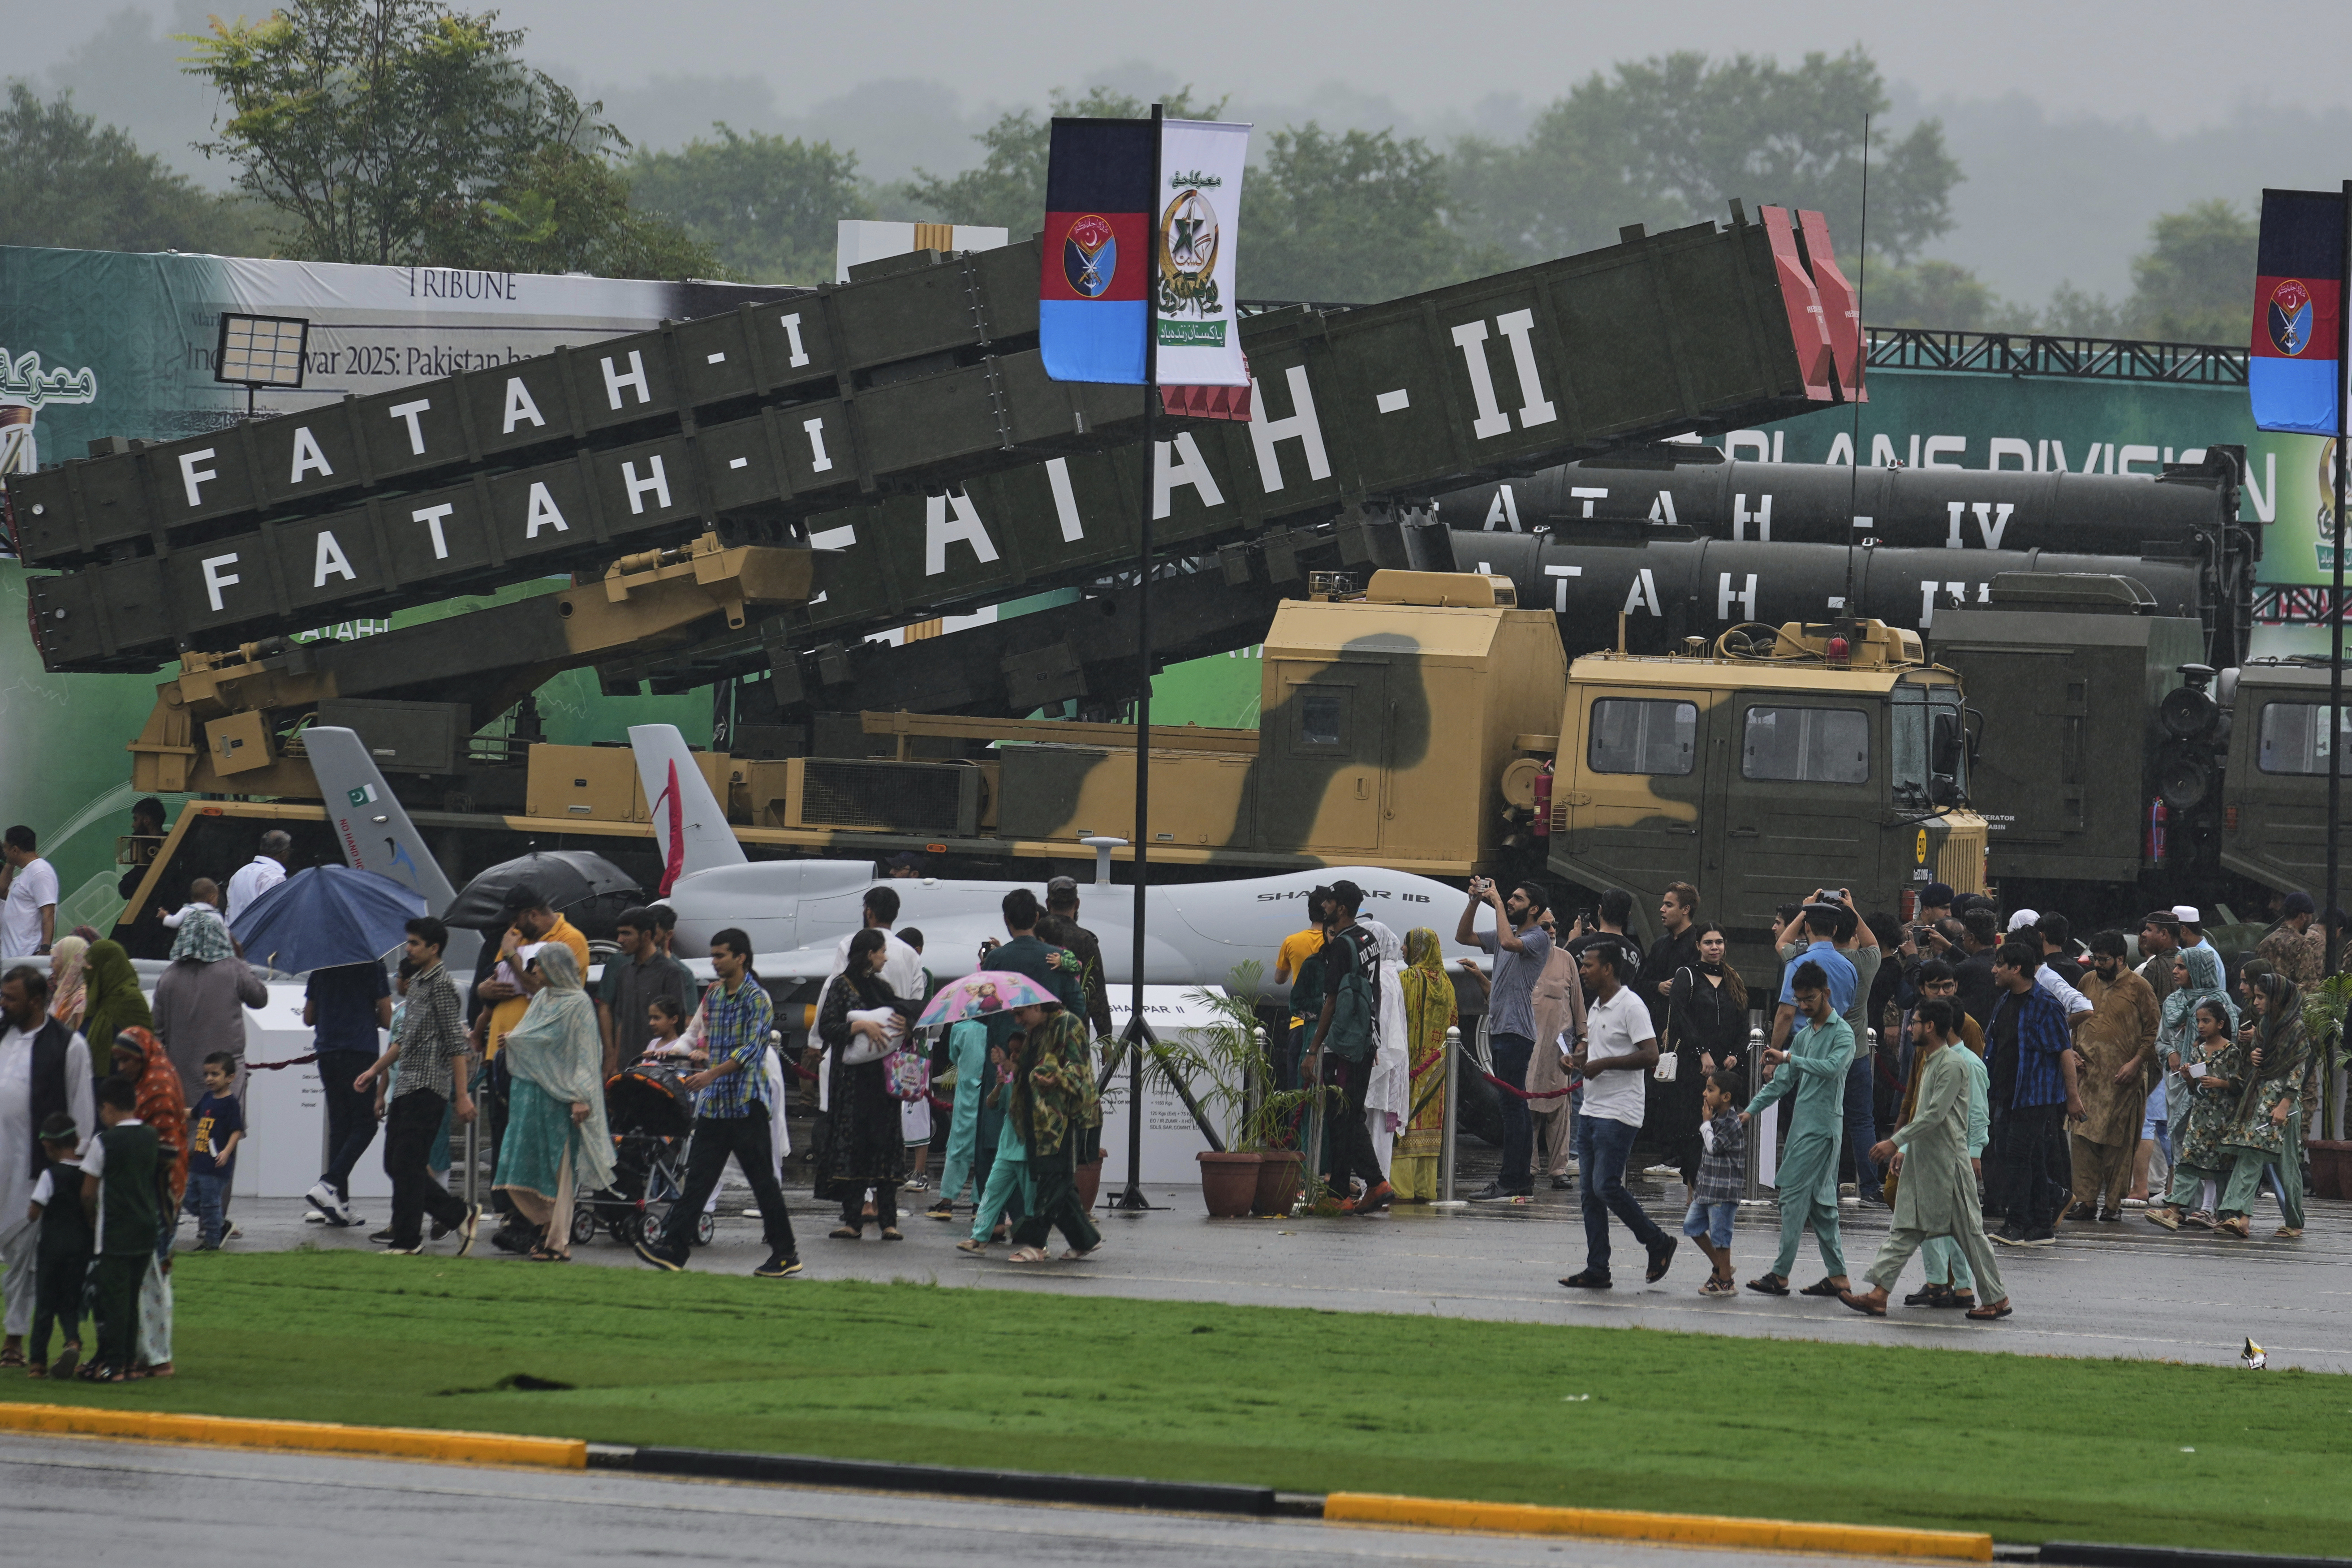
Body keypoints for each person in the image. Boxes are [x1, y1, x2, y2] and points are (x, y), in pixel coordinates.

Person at [635, 928, 800, 1278]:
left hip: (745, 1104)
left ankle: (785, 1253)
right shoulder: (713, 995)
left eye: (721, 955)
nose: (714, 962)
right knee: (698, 1178)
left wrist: (711, 1074)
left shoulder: (757, 998)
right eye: (713, 955)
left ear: (741, 957)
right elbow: (699, 1038)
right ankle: (674, 1248)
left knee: (763, 1183)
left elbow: (751, 1050)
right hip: (715, 1106)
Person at [1838, 999, 2012, 1322]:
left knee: (1971, 1235)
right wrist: (1904, 1151)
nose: (1909, 1027)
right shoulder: (1929, 1060)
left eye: (1915, 1022)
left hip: (1949, 1168)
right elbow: (1921, 1113)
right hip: (1923, 1165)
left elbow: (1934, 1116)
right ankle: (1878, 1295)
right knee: (1904, 1230)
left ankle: (1996, 1298)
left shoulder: (1954, 1065)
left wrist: (1895, 1141)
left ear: (1930, 1026)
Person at [354, 919, 479, 1257]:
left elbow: (457, 1045)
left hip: (428, 1089)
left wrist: (463, 1095)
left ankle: (408, 1240)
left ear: (434, 948)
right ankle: (457, 1214)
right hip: (406, 1086)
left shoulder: (442, 986)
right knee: (396, 1165)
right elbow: (403, 1042)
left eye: (414, 943)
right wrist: (375, 1071)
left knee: (407, 1164)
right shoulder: (420, 984)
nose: (407, 949)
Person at [1557, 941, 1675, 1289]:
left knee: (1606, 1186)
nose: (1583, 971)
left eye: (1589, 965)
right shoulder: (1597, 1007)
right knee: (1589, 1194)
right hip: (1593, 1108)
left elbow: (1651, 1055)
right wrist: (1577, 1061)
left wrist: (1603, 1064)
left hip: (1620, 1111)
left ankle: (1657, 1241)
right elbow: (1598, 1051)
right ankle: (1598, 1268)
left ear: (1608, 968)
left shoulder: (1632, 1005)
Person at [492, 945, 613, 1262]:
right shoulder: (543, 1000)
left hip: (559, 1100)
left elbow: (585, 1054)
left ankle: (557, 1241)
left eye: (539, 966)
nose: (533, 971)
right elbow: (532, 1039)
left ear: (555, 967)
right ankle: (546, 1226)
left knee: (560, 1172)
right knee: (518, 1164)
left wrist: (580, 1097)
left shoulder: (579, 1005)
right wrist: (513, 1040)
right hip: (527, 1098)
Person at [1739, 959, 1850, 1298]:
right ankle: (1838, 1277)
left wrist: (1788, 1058)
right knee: (1821, 1206)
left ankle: (1781, 1274)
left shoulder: (1842, 1034)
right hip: (1804, 1129)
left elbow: (1831, 1069)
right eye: (1799, 1000)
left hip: (1822, 1130)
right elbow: (1782, 1085)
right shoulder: (1805, 1036)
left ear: (1826, 993)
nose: (1803, 1006)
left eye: (1810, 999)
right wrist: (1750, 1111)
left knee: (1791, 1196)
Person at [0, 965, 93, 1370]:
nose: (3, 1005)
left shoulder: (69, 1046)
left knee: (24, 1260)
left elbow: (84, 1120)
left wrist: (71, 1176)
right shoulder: (2, 1034)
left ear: (36, 1002)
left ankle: (14, 1343)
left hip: (33, 1171)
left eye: (11, 999)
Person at [814, 928, 917, 1241]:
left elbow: (903, 1018)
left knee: (885, 1146)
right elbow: (827, 1027)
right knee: (855, 1146)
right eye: (882, 951)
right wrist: (860, 1026)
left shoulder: (882, 987)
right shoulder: (840, 987)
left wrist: (907, 1028)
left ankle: (889, 1221)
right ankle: (852, 1219)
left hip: (883, 1080)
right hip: (852, 1083)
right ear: (869, 954)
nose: (886, 957)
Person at [1456, 875, 1552, 1202]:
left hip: (1516, 1032)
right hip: (1502, 1029)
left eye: (1518, 899)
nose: (1510, 902)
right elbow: (1463, 936)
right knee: (1514, 1107)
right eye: (1509, 897)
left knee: (1512, 1108)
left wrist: (1496, 901)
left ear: (1534, 909)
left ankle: (1511, 1180)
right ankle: (1519, 1180)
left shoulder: (1538, 938)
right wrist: (1474, 901)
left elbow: (1511, 944)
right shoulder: (1504, 935)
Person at [1983, 942, 2082, 1247]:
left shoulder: (2045, 1004)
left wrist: (2073, 1097)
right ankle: (2042, 1225)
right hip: (2007, 1094)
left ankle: (2016, 1223)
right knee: (2032, 1160)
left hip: (2035, 1097)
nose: (1994, 970)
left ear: (2017, 968)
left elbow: (2064, 1052)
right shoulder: (2005, 1001)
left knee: (2016, 1158)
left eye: (2000, 964)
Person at [1308, 880, 1391, 1212]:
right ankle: (1340, 1194)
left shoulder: (1342, 946)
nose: (1323, 907)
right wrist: (1373, 1036)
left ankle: (1376, 1183)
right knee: (1345, 1115)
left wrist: (1314, 1049)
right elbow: (1376, 992)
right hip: (1364, 1039)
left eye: (1328, 902)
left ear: (1341, 908)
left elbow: (1330, 1002)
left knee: (1344, 1115)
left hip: (1343, 1044)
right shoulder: (1369, 938)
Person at [2065, 931, 2158, 1223]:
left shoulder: (2140, 988)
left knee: (2118, 1145)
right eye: (2095, 959)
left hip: (2123, 1081)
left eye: (2104, 960)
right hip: (2088, 1077)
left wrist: (2136, 1063)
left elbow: (2153, 1034)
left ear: (2121, 959)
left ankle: (2113, 1206)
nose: (2098, 965)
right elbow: (2075, 1021)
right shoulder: (2087, 982)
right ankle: (2086, 1202)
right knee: (2082, 1140)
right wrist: (2073, 1052)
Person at [2210, 972, 2310, 1240]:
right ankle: (2238, 1217)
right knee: (2250, 1153)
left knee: (2287, 1166)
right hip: (2258, 1101)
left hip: (2282, 1106)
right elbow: (2258, 1054)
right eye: (2256, 997)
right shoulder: (2266, 1025)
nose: (2256, 1002)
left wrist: (2285, 1104)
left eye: (2262, 997)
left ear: (2277, 998)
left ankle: (2294, 1221)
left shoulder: (2295, 1028)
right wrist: (2254, 1052)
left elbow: (2298, 1068)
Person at [1007, 994, 1105, 1263]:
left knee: (1054, 1180)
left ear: (1037, 1006)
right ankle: (1085, 1239)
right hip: (1039, 1119)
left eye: (1021, 1013)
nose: (1017, 1020)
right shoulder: (1036, 1032)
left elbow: (1079, 1071)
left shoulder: (1068, 1024)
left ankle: (1035, 1243)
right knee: (1058, 1182)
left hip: (1064, 1119)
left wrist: (1056, 1078)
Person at [296, 957, 392, 1228]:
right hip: (360, 1051)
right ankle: (329, 1184)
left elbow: (308, 1017)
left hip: (327, 1051)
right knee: (365, 1126)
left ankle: (340, 1203)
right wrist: (365, 1010)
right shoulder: (373, 964)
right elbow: (387, 1018)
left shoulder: (322, 965)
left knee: (340, 1126)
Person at [79, 1075, 157, 1383]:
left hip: (114, 1231)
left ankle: (113, 1366)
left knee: (114, 1300)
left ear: (108, 1108)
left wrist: (91, 1220)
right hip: (146, 1228)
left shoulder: (104, 1142)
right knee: (131, 1299)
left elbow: (88, 1193)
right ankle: (128, 1363)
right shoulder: (151, 1136)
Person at [2147, 997, 2244, 1232]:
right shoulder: (2198, 1050)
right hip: (2200, 1117)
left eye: (2206, 1021)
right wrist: (2190, 1079)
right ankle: (2175, 1209)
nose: (2201, 1026)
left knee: (2218, 1166)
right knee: (2189, 1163)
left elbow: (2240, 1086)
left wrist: (2221, 1083)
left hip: (2222, 1119)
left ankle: (2217, 1211)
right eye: (2199, 1021)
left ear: (2220, 1024)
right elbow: (2196, 1090)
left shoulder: (2232, 1051)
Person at [1665, 922, 1748, 1196]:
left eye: (1720, 942)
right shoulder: (1687, 975)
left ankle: (1714, 1187)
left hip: (1725, 1066)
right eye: (1709, 943)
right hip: (1693, 1063)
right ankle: (1693, 1187)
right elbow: (1681, 1015)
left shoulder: (1732, 978)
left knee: (1722, 1125)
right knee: (1693, 1125)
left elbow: (1741, 1020)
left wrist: (1736, 1054)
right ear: (1698, 946)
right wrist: (1702, 1052)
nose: (1715, 948)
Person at [151, 910, 268, 1102]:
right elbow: (260, 999)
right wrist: (242, 960)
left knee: (190, 1129)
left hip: (182, 1079)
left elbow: (157, 1031)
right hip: (226, 1076)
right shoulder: (233, 968)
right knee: (225, 1129)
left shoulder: (169, 977)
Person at [1390, 928, 1457, 1202]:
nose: (1403, 950)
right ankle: (1424, 1189)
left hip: (1409, 1068)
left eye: (1406, 945)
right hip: (1437, 1070)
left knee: (1401, 1124)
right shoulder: (1447, 982)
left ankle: (1400, 1189)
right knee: (1430, 1127)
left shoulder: (1408, 978)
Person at [596, 907, 696, 1081]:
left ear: (647, 935)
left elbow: (678, 1025)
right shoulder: (624, 972)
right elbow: (622, 1022)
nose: (620, 940)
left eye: (627, 934)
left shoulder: (671, 972)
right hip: (628, 1066)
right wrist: (615, 1062)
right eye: (619, 934)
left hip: (659, 1070)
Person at [26, 1112, 91, 1378]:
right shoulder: (88, 1174)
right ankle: (73, 1342)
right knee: (70, 1301)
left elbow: (34, 1212)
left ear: (48, 1146)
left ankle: (37, 1364)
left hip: (52, 1247)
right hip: (81, 1247)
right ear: (76, 1140)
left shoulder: (50, 1175)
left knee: (45, 1304)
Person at [1526, 908, 1585, 1189]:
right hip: (1526, 1046)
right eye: (1545, 926)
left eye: (1554, 925)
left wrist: (1582, 1040)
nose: (1552, 931)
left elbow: (1578, 1005)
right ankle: (1529, 1166)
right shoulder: (1521, 957)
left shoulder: (1566, 959)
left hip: (1558, 1050)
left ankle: (1558, 1169)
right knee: (1527, 1107)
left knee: (1560, 1110)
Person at [1685, 1070, 1746, 1297]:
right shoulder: (1716, 1120)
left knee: (1721, 1236)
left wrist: (1705, 1125)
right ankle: (1721, 1268)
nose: (1705, 1094)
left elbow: (1714, 1147)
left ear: (1726, 1097)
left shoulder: (1730, 1122)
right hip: (1707, 1189)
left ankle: (1726, 1282)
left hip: (1723, 1191)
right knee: (1692, 1227)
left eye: (1710, 1090)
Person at [926, 1019, 991, 1221]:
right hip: (990, 1095)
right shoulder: (999, 1028)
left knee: (957, 1150)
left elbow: (954, 1057)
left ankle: (946, 1204)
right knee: (985, 1151)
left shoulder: (960, 1029)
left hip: (966, 1097)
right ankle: (978, 1205)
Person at [182, 1053, 244, 1251]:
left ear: (230, 1078)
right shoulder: (208, 1098)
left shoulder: (230, 1104)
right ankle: (221, 1224)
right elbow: (193, 1113)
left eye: (215, 1074)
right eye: (207, 1074)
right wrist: (171, 1109)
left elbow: (237, 1130)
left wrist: (226, 1152)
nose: (209, 1079)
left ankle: (212, 1243)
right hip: (199, 1162)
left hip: (216, 1166)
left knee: (210, 1203)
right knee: (189, 1199)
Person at [1045, 876, 1116, 1041]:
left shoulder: (1037, 936)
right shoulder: (1085, 940)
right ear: (1077, 904)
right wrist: (1105, 1035)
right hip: (1075, 1032)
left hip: (1039, 1029)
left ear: (1048, 904)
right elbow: (1096, 992)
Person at [1272, 893, 1329, 1094]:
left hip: (1300, 1023)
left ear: (1309, 912)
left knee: (1297, 1091)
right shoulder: (1336, 941)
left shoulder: (1292, 941)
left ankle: (1294, 1125)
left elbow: (1280, 979)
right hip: (1328, 1025)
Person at [75, 942, 152, 1088]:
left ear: (108, 966)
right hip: (94, 1088)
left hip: (124, 1090)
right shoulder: (96, 1000)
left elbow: (146, 1048)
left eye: (91, 965)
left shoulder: (130, 999)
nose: (86, 970)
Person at [829, 885, 926, 1001]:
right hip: (899, 1018)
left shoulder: (849, 944)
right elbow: (917, 999)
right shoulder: (911, 954)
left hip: (857, 1019)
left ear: (869, 912)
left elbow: (836, 990)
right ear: (895, 915)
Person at [1, 826, 58, 958]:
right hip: (14, 957)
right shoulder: (26, 873)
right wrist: (10, 863)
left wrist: (45, 948)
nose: (4, 852)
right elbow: (1, 890)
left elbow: (48, 913)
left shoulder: (40, 871)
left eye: (6, 848)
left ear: (15, 850)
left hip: (28, 956)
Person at [224, 829, 292, 924]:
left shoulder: (240, 873)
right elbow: (272, 917)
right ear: (284, 854)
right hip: (256, 937)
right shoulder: (275, 878)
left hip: (234, 936)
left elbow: (230, 912)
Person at [45, 936, 88, 1035]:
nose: (51, 965)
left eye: (55, 959)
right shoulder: (66, 993)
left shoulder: (82, 1001)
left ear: (69, 961)